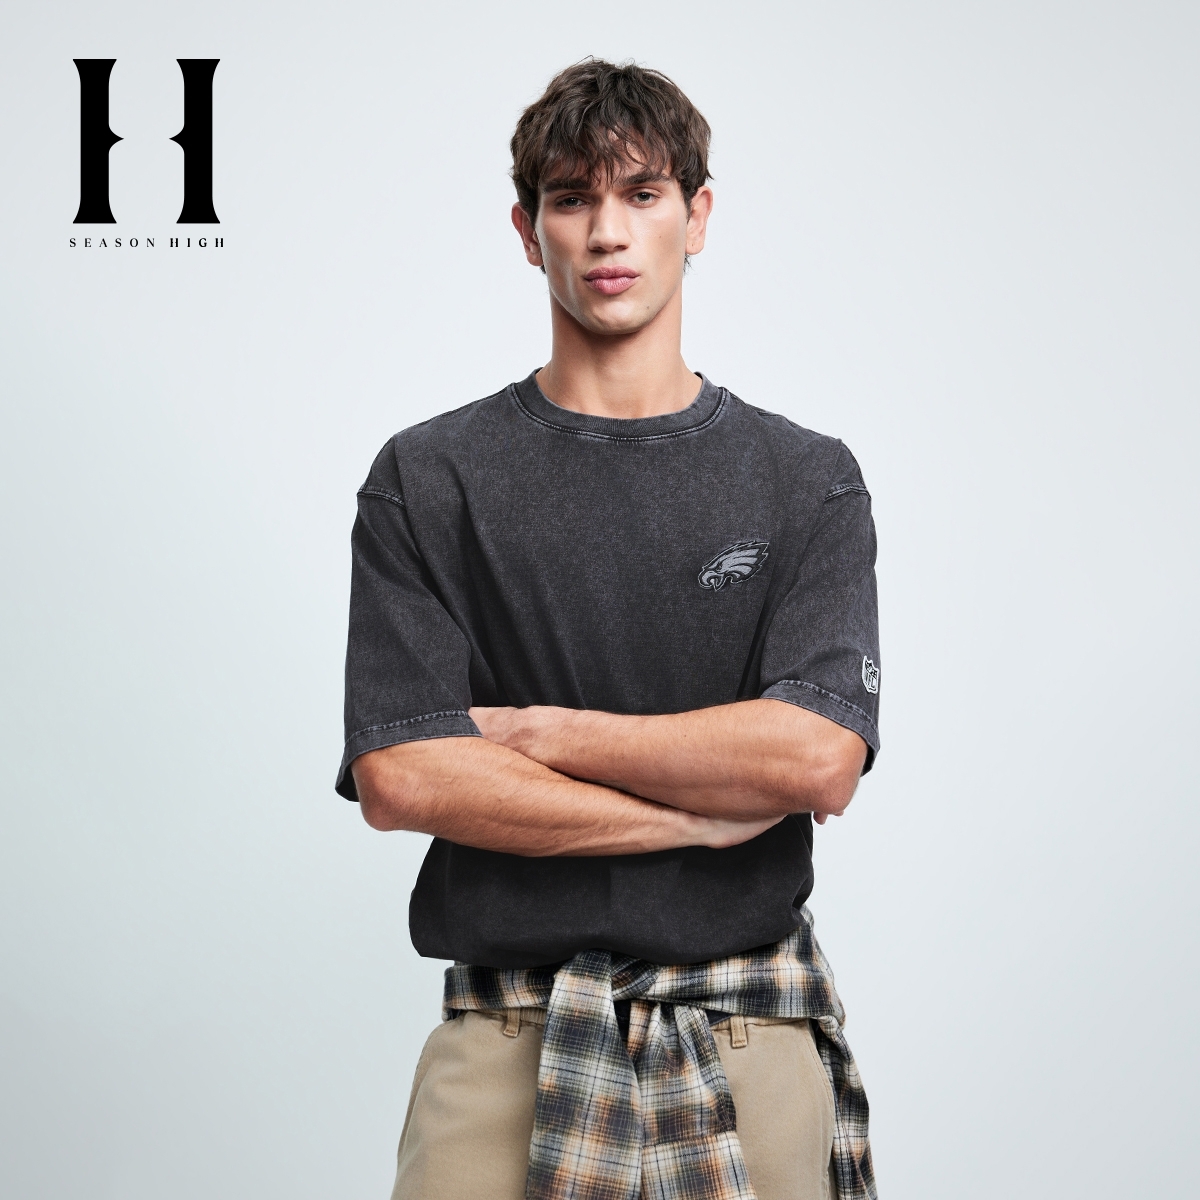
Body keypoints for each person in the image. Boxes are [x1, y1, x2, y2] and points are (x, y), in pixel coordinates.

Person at [337, 58, 881, 1200]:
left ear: (698, 216)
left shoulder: (804, 479)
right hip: (506, 1043)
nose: (607, 231)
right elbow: (404, 776)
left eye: (642, 193)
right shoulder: (428, 478)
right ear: (528, 231)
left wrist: (538, 734)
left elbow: (814, 759)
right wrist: (697, 816)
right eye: (572, 198)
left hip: (745, 1036)